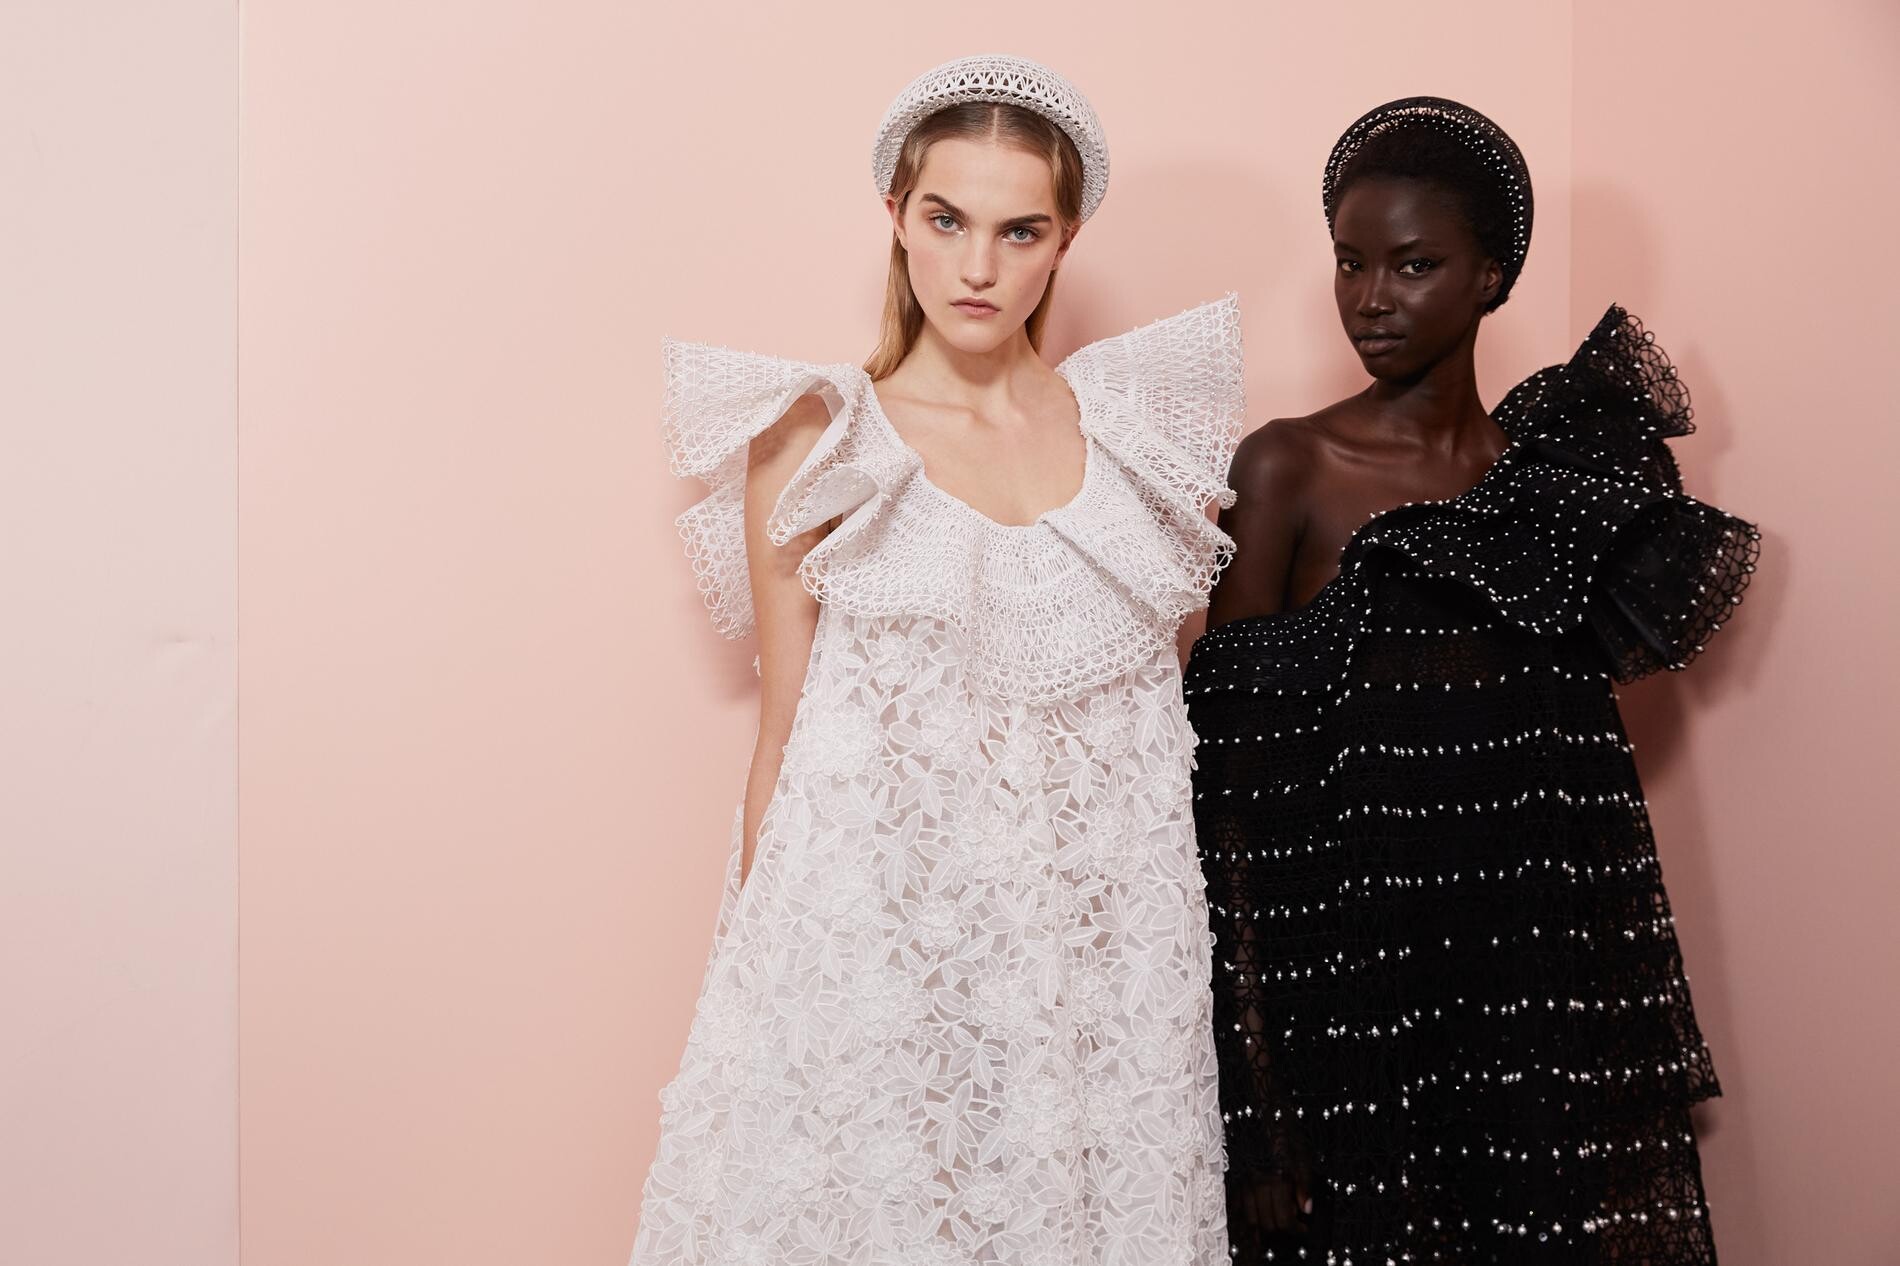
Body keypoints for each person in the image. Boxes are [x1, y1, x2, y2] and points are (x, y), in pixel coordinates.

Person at [632, 56, 1245, 1264]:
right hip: (876, 942)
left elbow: (1152, 739)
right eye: (946, 220)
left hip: (1089, 969)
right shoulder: (819, 438)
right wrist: (760, 995)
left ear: (1064, 241)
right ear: (897, 217)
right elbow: (784, 736)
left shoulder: (1137, 444)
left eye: (1020, 231)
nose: (978, 268)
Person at [1188, 97, 1758, 1264]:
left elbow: (1581, 803)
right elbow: (1229, 805)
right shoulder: (1288, 467)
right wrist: (1258, 1105)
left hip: (1532, 1004)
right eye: (1349, 262)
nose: (1370, 298)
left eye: (1413, 265)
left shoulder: (1559, 488)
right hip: (1351, 1007)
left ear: (1490, 277)